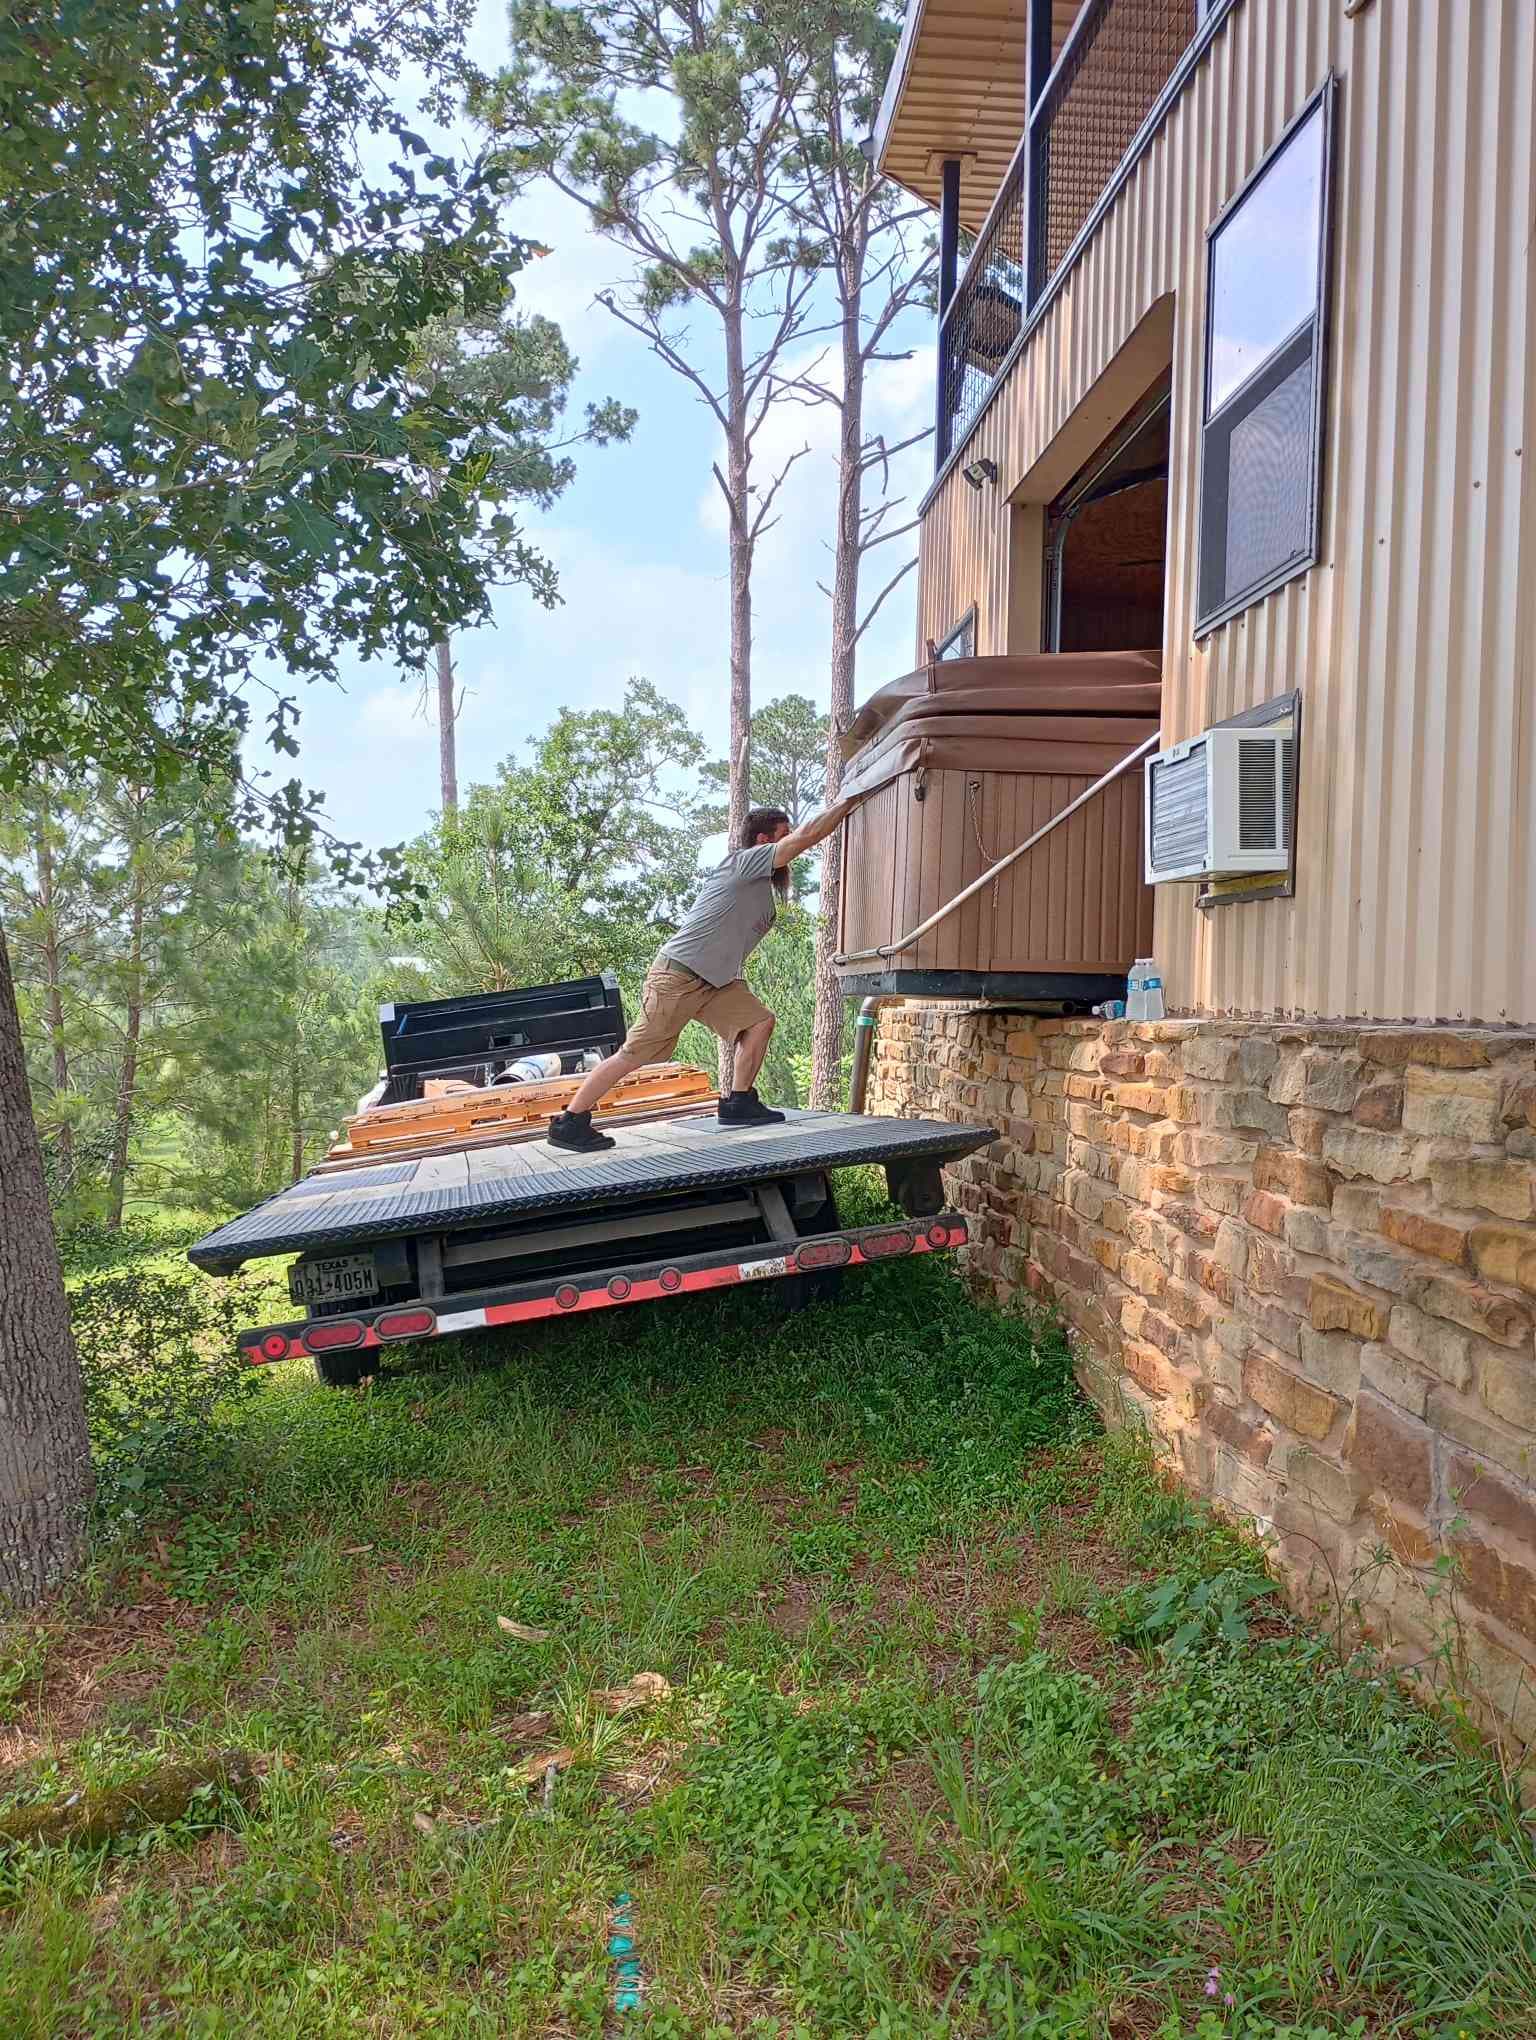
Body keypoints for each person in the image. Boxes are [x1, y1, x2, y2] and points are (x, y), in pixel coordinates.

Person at [547, 795, 866, 1153]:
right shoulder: (745, 862)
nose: (793, 842)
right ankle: (570, 1121)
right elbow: (807, 837)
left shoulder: (760, 888)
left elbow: (730, 940)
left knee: (759, 1022)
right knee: (636, 1054)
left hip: (715, 982)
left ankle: (738, 1102)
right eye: (784, 834)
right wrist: (849, 799)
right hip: (678, 976)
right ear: (763, 840)